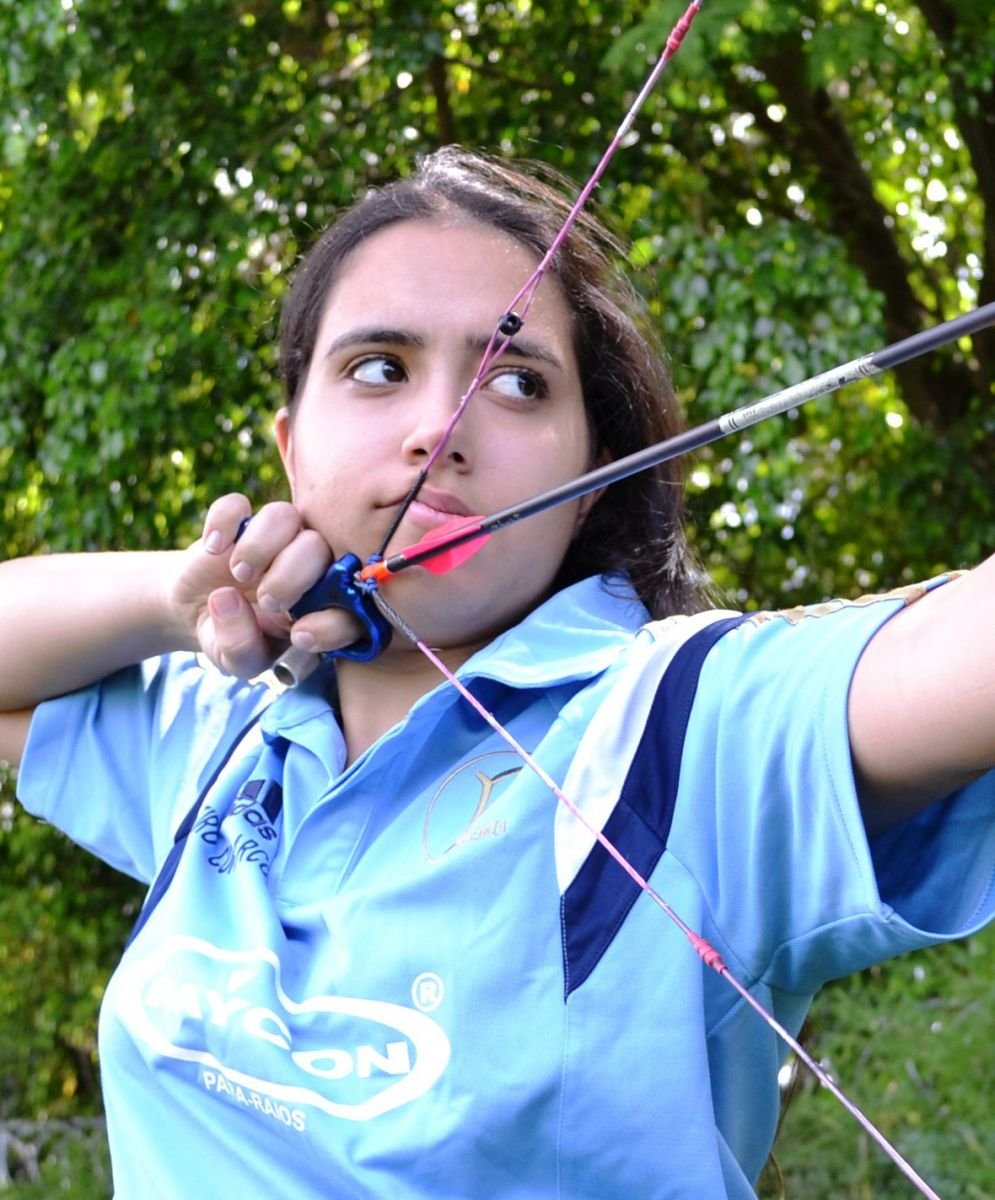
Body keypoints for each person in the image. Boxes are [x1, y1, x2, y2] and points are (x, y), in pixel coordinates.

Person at [1, 147, 993, 1200]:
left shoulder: (678, 725)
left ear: (588, 481)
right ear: (291, 448)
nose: (441, 429)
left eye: (517, 383)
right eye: (379, 367)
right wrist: (180, 598)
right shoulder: (230, 738)